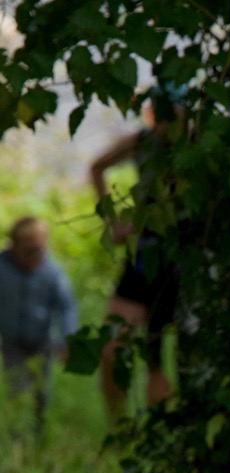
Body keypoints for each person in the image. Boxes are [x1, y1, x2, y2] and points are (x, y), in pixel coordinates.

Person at [89, 85, 183, 421]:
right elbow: (97, 167)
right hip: (144, 255)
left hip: (183, 262)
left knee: (165, 363)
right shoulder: (143, 142)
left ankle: (164, 433)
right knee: (111, 348)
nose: (163, 123)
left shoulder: (198, 145)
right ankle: (118, 427)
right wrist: (113, 222)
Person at [0, 216, 78, 436]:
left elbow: (66, 307)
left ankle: (37, 435)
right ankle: (15, 439)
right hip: (12, 344)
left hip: (41, 343)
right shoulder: (2, 269)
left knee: (40, 393)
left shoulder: (52, 272)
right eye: (29, 250)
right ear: (14, 247)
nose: (35, 256)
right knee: (16, 391)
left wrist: (67, 339)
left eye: (39, 250)